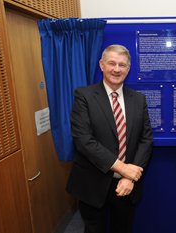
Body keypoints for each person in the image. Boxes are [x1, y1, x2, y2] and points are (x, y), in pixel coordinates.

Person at [66, 44, 153, 233]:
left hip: (126, 185)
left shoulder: (138, 99)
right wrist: (122, 168)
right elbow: (83, 140)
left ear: (128, 69)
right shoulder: (84, 95)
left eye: (122, 65)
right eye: (112, 63)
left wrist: (130, 178)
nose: (116, 69)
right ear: (102, 65)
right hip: (92, 183)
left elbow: (146, 140)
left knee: (123, 229)